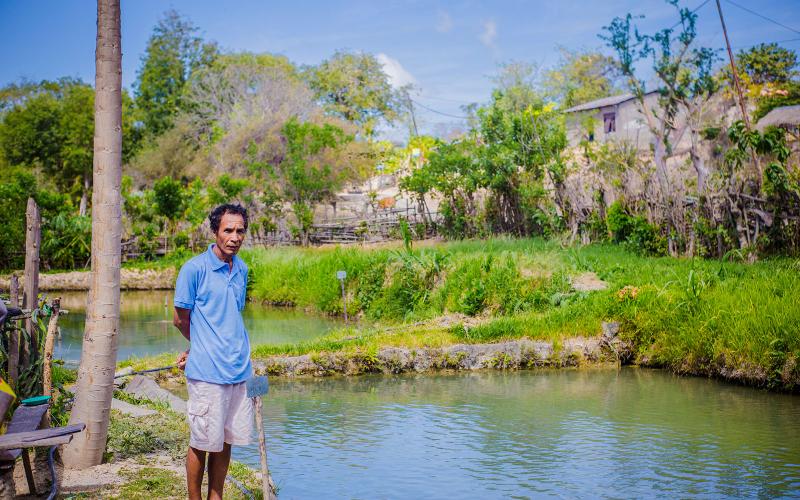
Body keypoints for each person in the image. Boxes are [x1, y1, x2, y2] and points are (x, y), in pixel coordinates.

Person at [173, 203, 253, 500]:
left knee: (226, 439)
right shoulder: (194, 269)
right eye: (228, 230)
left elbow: (230, 318)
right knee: (203, 440)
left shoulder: (242, 269)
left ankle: (215, 496)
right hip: (208, 374)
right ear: (215, 232)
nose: (234, 237)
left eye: (240, 230)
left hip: (240, 370)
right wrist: (200, 347)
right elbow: (181, 319)